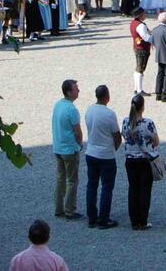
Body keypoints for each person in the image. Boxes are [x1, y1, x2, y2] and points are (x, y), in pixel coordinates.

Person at [84, 84, 122, 229]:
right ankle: (104, 218)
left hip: (91, 152)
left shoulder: (89, 110)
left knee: (91, 185)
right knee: (107, 187)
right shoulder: (109, 114)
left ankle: (92, 217)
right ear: (107, 97)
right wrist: (114, 148)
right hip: (106, 155)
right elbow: (117, 136)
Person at [122, 94, 160, 230]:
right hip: (144, 160)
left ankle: (134, 220)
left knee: (133, 189)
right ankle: (142, 220)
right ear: (143, 107)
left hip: (130, 159)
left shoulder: (126, 122)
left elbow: (124, 135)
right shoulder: (147, 123)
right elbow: (156, 141)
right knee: (145, 190)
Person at [52, 79, 84, 220]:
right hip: (70, 150)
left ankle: (58, 208)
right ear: (69, 92)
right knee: (72, 181)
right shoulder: (72, 110)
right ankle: (70, 210)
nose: (78, 90)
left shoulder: (58, 105)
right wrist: (80, 144)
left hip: (58, 147)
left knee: (60, 179)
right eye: (76, 89)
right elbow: (77, 131)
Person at [131, 8, 153, 96]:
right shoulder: (141, 25)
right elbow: (146, 37)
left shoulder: (134, 23)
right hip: (142, 48)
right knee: (141, 68)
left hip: (137, 46)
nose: (145, 15)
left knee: (138, 68)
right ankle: (139, 90)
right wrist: (154, 38)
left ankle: (137, 88)